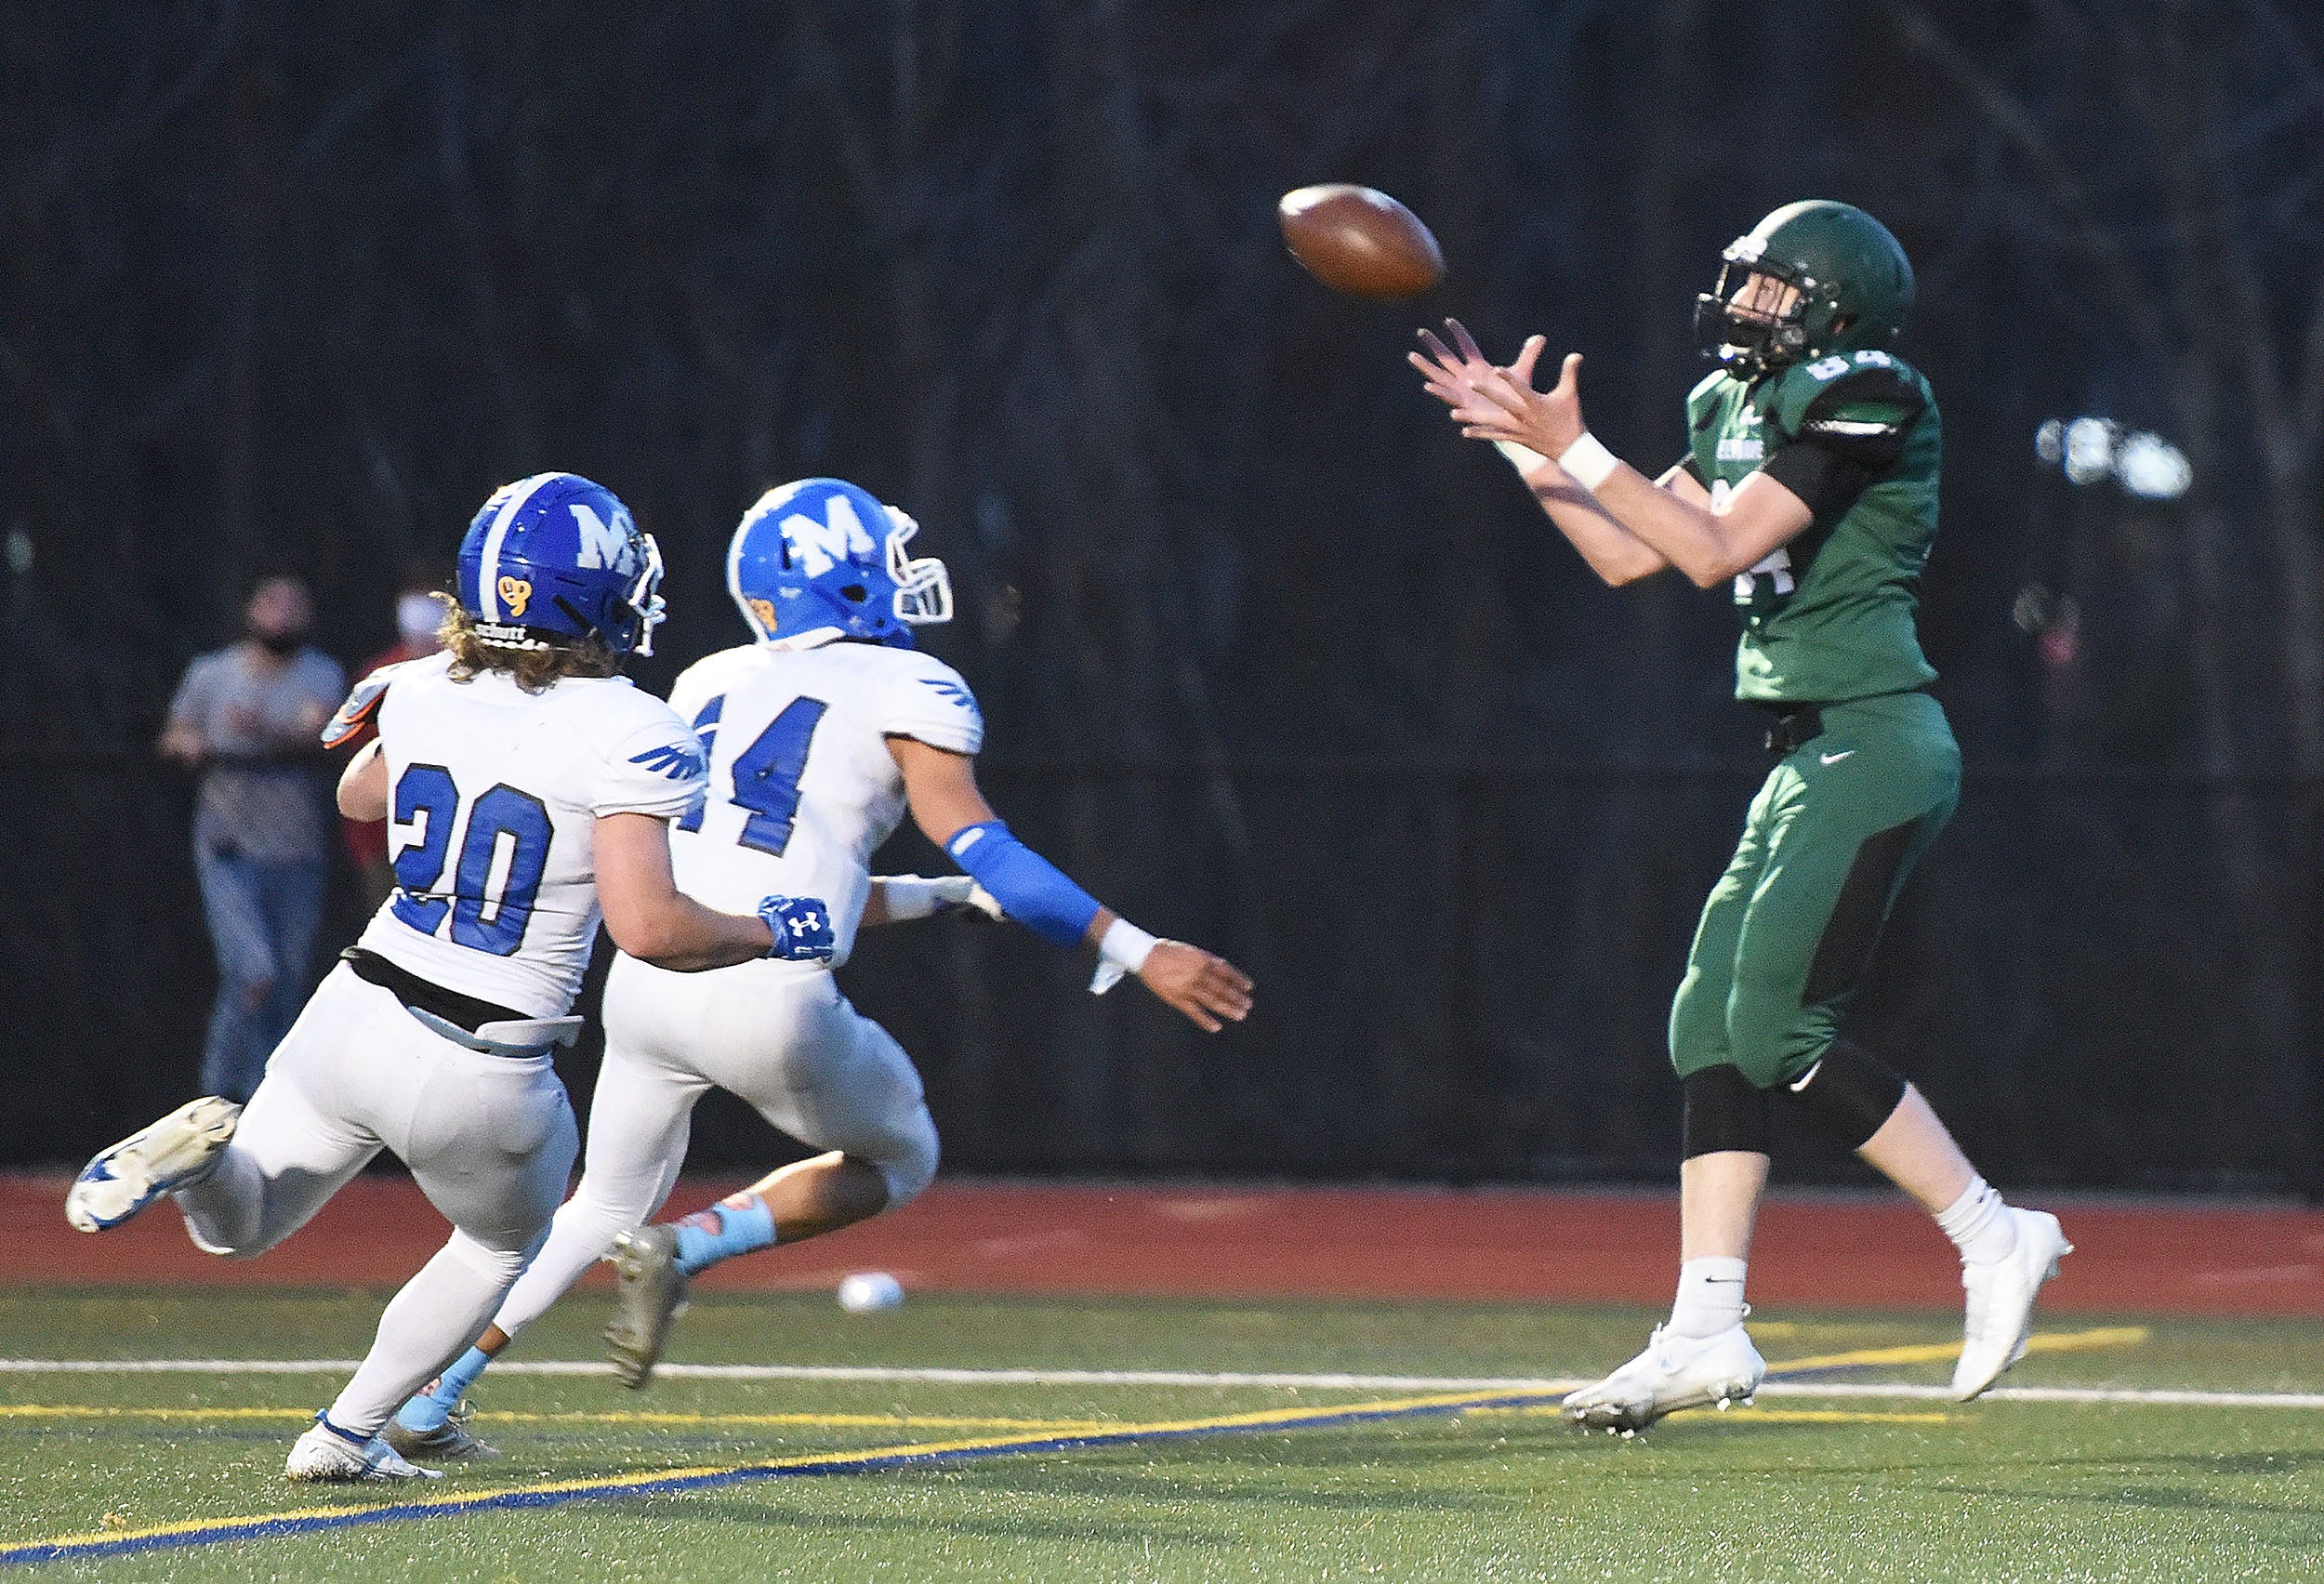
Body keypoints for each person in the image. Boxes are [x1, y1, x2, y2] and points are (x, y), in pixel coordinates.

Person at [387, 478, 1254, 1459]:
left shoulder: (707, 679)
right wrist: (1137, 949)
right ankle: (692, 1247)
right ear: (837, 580)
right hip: (771, 1002)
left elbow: (785, 881)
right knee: (904, 1155)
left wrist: (941, 899)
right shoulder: (909, 686)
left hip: (653, 981)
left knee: (596, 1206)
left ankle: (434, 1396)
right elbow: (988, 848)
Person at [1411, 201, 2069, 1432]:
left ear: (1829, 305)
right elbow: (1627, 554)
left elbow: (1715, 551)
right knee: (1709, 1026)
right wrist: (1525, 446)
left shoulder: (1871, 390)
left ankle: (1997, 1232)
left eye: (1770, 287)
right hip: (1803, 749)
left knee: (1774, 1025)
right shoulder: (1731, 405)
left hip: (1874, 736)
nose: (1743, 302)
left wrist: (1581, 443)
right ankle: (1705, 1328)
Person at [68, 472, 838, 1482]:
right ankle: (343, 1436)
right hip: (488, 1053)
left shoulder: (420, 681)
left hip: (355, 1005)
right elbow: (649, 928)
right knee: (496, 1248)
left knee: (240, 1225)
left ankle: (202, 1159)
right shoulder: (634, 727)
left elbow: (358, 794)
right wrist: (766, 931)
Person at [158, 574, 348, 1103]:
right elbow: (175, 732)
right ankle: (216, 1102)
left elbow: (320, 733)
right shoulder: (212, 674)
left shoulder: (321, 675)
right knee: (252, 973)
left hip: (296, 851)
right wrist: (189, 742)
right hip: (229, 848)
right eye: (271, 602)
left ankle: (271, 1103)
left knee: (285, 985)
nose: (281, 614)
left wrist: (263, 728)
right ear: (249, 611)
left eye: (294, 603)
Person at [342, 575, 451, 910]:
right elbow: (356, 753)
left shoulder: (473, 678)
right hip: (383, 836)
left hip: (451, 836)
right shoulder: (380, 674)